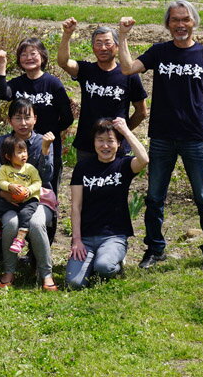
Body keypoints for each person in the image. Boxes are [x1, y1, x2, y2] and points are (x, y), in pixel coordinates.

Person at [118, 0, 203, 272]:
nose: (180, 25)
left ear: (194, 22)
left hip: (195, 137)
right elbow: (128, 68)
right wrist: (123, 36)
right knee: (154, 197)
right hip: (162, 137)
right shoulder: (159, 52)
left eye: (185, 19)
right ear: (167, 24)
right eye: (175, 20)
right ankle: (155, 249)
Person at [66, 117, 149, 289]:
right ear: (94, 143)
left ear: (119, 144)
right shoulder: (82, 167)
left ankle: (111, 264)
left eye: (110, 141)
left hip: (114, 235)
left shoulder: (124, 165)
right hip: (86, 238)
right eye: (100, 140)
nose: (105, 146)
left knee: (104, 266)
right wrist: (77, 240)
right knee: (74, 283)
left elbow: (144, 159)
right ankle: (96, 262)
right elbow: (76, 206)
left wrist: (126, 131)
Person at [57, 19, 147, 162]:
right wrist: (67, 34)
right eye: (98, 43)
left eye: (108, 43)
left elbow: (141, 111)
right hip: (87, 143)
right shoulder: (86, 70)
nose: (103, 48)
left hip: (116, 145)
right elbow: (63, 62)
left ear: (117, 47)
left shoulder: (129, 75)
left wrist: (123, 131)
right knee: (86, 182)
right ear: (93, 47)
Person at [0, 98, 57, 290]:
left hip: (38, 199)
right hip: (9, 200)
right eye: (17, 118)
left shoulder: (42, 141)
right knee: (11, 224)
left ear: (35, 119)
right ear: (10, 120)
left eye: (27, 117)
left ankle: (46, 274)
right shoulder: (1, 143)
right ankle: (9, 271)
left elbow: (46, 177)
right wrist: (3, 194)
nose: (23, 123)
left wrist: (45, 151)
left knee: (36, 224)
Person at [8, 37, 74, 192]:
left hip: (48, 144)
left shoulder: (53, 84)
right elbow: (0, 93)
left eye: (33, 53)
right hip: (20, 144)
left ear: (43, 56)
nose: (29, 58)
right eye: (23, 54)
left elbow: (67, 117)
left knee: (48, 189)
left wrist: (51, 132)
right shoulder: (16, 84)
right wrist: (2, 65)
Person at [0, 136, 43, 254]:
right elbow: (0, 182)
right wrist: (9, 186)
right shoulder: (4, 169)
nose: (24, 155)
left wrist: (29, 190)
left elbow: (38, 182)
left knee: (25, 214)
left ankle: (20, 239)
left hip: (28, 199)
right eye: (19, 152)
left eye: (25, 151)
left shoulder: (30, 168)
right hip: (11, 198)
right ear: (8, 156)